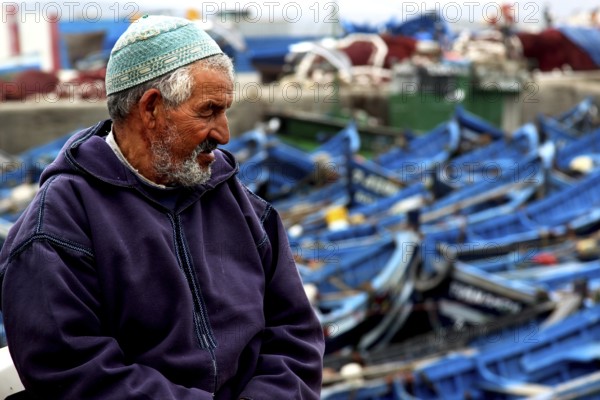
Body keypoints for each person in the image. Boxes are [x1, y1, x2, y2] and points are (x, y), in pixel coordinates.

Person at [0, 15, 324, 399]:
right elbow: (73, 371)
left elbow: (295, 334)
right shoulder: (56, 228)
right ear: (151, 109)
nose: (224, 133)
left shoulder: (240, 204)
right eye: (208, 111)